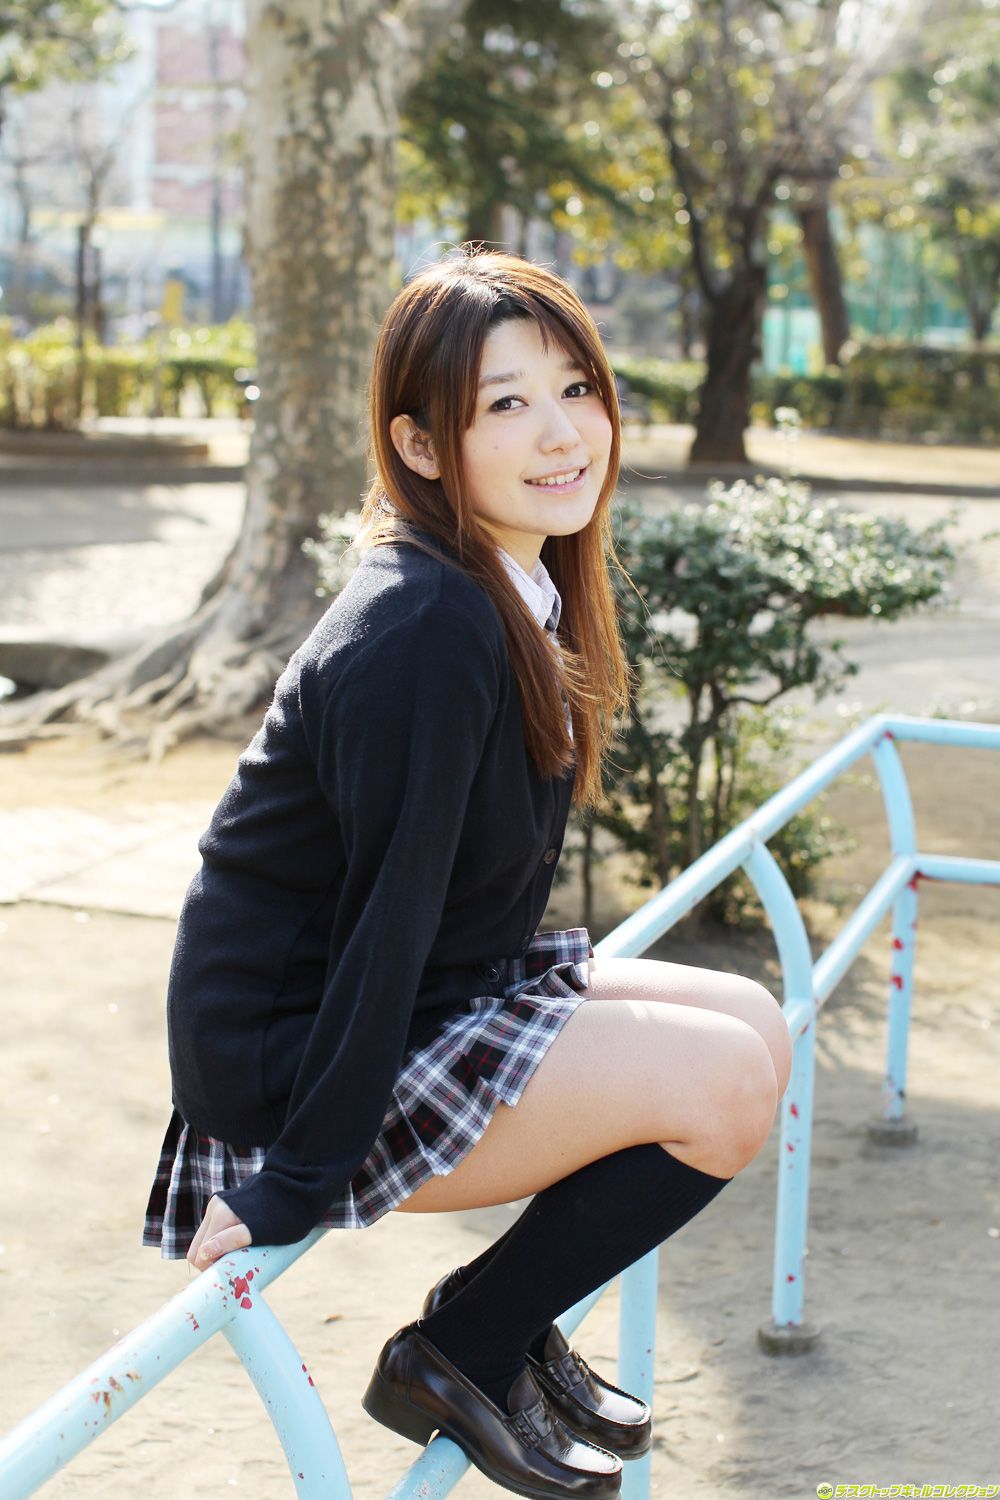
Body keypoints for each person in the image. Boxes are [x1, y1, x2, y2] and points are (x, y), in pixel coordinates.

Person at [143, 248, 791, 1500]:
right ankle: (461, 1352)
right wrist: (294, 1184)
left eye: (576, 389)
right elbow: (385, 921)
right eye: (506, 403)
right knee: (718, 1090)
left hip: (428, 995)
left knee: (754, 1022)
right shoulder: (425, 627)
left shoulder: (502, 588)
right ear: (422, 445)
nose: (562, 433)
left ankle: (499, 1321)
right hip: (304, 1063)